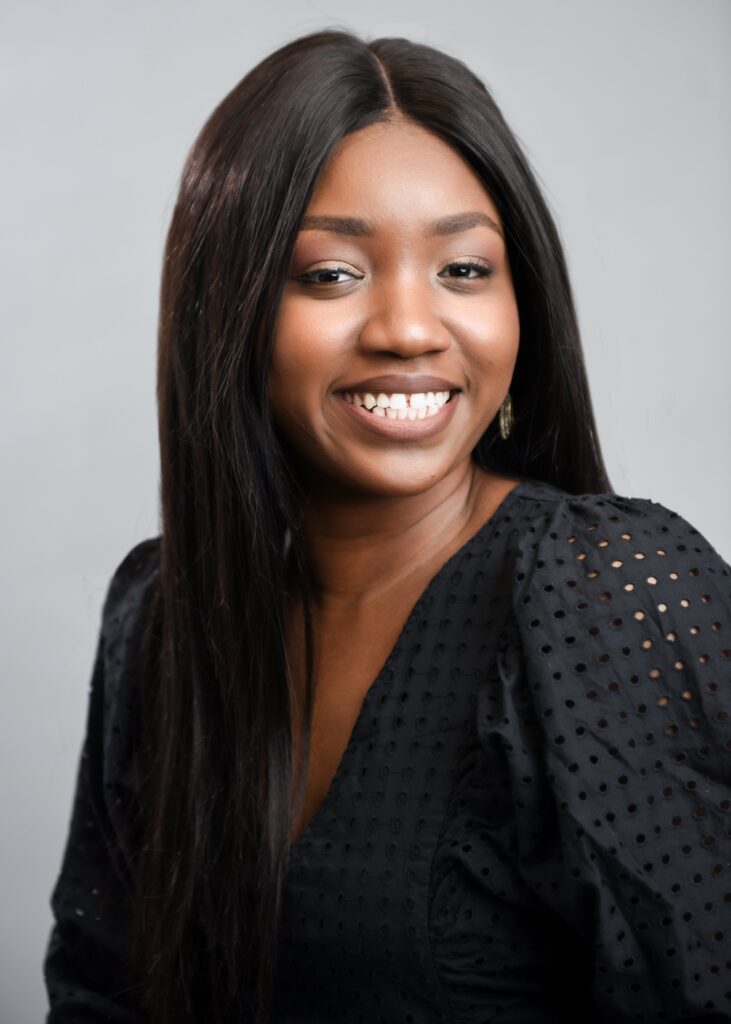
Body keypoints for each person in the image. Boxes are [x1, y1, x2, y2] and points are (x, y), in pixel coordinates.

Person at [43, 27, 731, 1024]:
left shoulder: (605, 592)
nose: (408, 328)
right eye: (330, 274)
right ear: (227, 309)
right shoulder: (159, 616)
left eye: (461, 269)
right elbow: (100, 992)